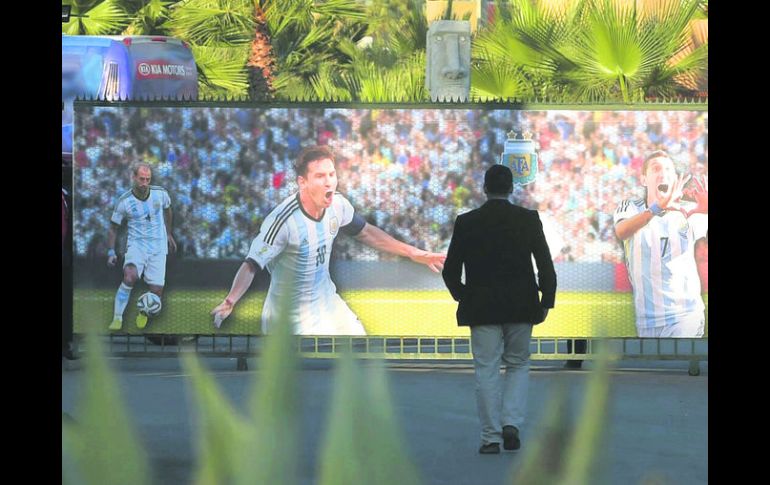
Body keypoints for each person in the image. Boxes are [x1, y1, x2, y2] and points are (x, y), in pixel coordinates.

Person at [211, 145, 446, 335]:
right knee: (317, 376)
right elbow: (251, 264)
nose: (329, 182)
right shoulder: (283, 221)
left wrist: (414, 253)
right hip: (290, 319)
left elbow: (367, 232)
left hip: (328, 304)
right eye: (320, 176)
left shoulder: (338, 205)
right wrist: (230, 301)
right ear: (303, 182)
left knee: (360, 353)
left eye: (332, 175)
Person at [442, 164, 557, 455]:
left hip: (482, 307)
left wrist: (464, 296)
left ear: (484, 188)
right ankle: (511, 423)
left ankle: (490, 437)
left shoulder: (466, 222)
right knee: (518, 364)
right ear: (511, 188)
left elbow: (450, 270)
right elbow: (545, 264)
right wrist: (546, 300)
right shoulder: (528, 219)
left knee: (487, 369)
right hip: (521, 305)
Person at [614, 150, 708, 338]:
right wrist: (656, 208)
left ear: (674, 179)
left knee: (676, 357)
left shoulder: (688, 211)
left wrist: (706, 210)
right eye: (656, 168)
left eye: (668, 169)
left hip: (685, 317)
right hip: (646, 322)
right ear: (643, 179)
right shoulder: (629, 208)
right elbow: (622, 231)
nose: (663, 173)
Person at [107, 162, 177, 330]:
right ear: (133, 177)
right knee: (129, 277)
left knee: (157, 291)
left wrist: (168, 233)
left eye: (147, 179)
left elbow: (168, 210)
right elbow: (113, 228)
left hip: (158, 246)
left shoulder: (160, 194)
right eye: (141, 179)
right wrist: (111, 251)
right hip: (137, 245)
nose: (145, 183)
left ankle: (143, 312)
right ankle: (117, 318)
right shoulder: (124, 201)